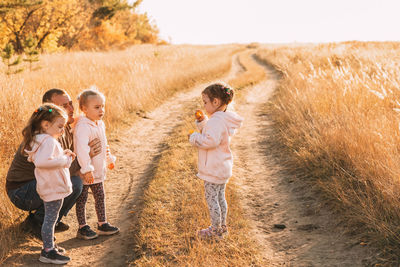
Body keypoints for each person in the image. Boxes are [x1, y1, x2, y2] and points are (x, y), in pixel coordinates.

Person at [5, 88, 101, 235]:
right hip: (21, 191)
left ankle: (50, 220)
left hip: (36, 183)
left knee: (73, 181)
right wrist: (85, 157)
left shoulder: (63, 128)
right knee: (74, 183)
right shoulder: (46, 136)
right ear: (50, 109)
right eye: (64, 106)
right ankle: (39, 222)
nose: (70, 109)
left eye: (70, 104)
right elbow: (62, 169)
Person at [188, 82, 243, 238]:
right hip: (222, 167)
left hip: (213, 167)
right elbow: (213, 132)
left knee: (212, 199)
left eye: (206, 102)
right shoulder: (222, 118)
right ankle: (222, 227)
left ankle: (215, 230)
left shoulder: (216, 121)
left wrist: (193, 137)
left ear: (216, 102)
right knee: (220, 198)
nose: (204, 105)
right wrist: (202, 122)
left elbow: (210, 141)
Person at [23, 103, 74, 264]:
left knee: (50, 218)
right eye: (60, 126)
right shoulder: (48, 141)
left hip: (48, 185)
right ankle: (47, 251)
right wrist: (66, 160)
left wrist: (62, 155)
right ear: (46, 124)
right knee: (51, 219)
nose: (62, 130)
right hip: (53, 186)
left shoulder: (39, 139)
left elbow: (47, 159)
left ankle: (49, 245)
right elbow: (43, 162)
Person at [74, 87, 119, 240]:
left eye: (102, 106)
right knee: (82, 199)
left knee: (100, 196)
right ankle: (82, 227)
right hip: (87, 171)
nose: (101, 110)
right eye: (97, 107)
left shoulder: (100, 124)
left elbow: (104, 144)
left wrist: (109, 159)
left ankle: (102, 223)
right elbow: (81, 150)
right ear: (84, 109)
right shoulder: (83, 127)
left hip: (98, 170)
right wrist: (86, 169)